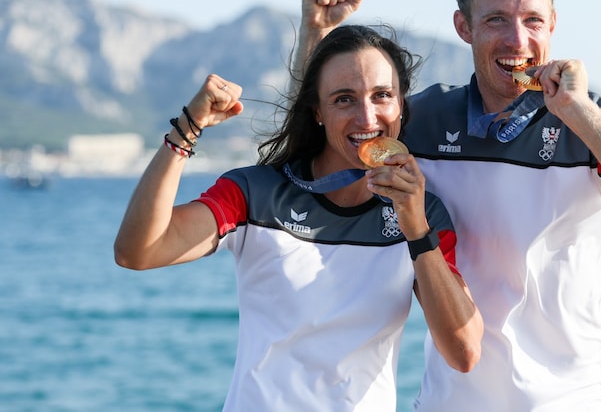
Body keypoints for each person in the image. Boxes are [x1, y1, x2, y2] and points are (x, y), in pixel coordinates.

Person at [292, 0, 601, 411]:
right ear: (463, 27)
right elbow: (322, 142)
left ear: (552, 25)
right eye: (496, 20)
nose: (517, 40)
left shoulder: (588, 121)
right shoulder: (426, 120)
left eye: (533, 20)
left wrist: (579, 114)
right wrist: (316, 36)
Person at [114, 25, 483, 411]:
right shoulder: (256, 194)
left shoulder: (422, 213)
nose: (367, 116)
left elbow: (464, 352)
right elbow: (138, 252)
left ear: (402, 106)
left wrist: (417, 231)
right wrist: (186, 129)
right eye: (344, 99)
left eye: (382, 96)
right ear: (317, 112)